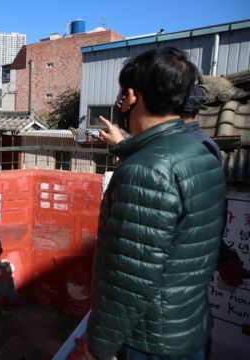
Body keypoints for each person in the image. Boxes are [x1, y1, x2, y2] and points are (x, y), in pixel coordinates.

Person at [83, 47, 226, 360]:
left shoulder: (146, 169)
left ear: (131, 96)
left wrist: (98, 348)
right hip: (189, 328)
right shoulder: (200, 152)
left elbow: (128, 280)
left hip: (148, 341)